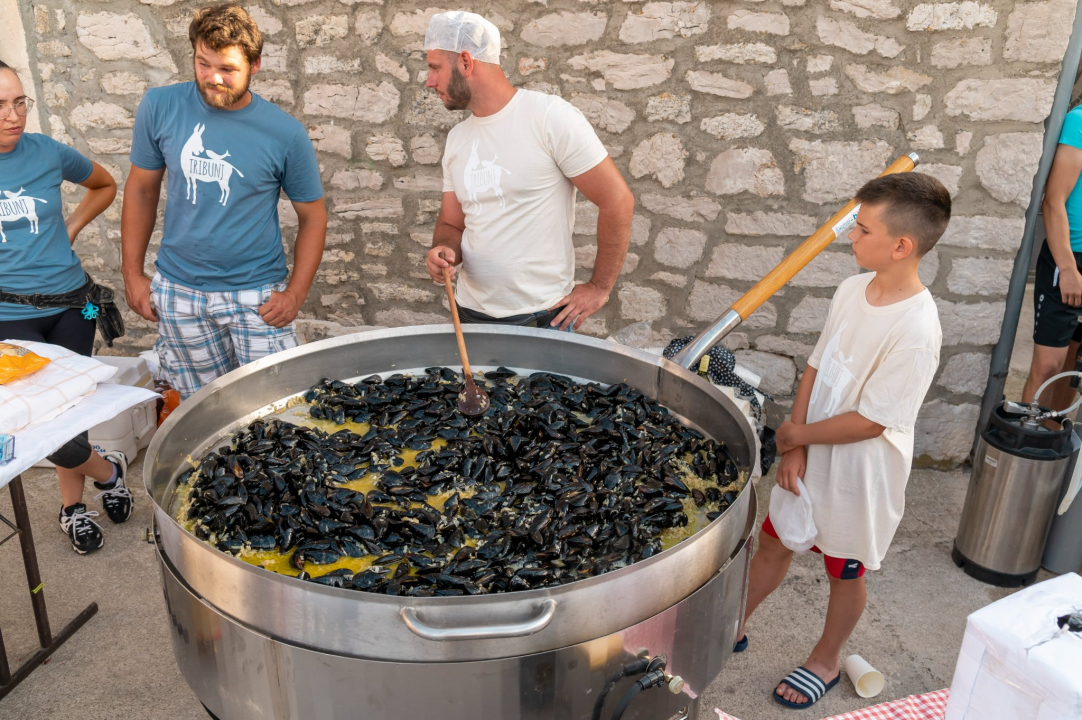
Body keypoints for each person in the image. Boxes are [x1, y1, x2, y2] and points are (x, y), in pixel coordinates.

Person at [738, 173, 949, 710]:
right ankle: (733, 620)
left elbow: (873, 422)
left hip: (862, 472)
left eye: (862, 229)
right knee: (774, 539)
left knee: (843, 567)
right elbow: (816, 365)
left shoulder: (917, 329)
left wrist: (797, 434)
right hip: (809, 452)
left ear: (901, 245)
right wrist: (797, 447)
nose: (851, 237)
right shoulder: (851, 289)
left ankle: (826, 659)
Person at [122, 3, 326, 399]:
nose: (212, 78)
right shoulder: (160, 106)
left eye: (227, 69)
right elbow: (141, 190)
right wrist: (133, 274)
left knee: (274, 410)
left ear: (256, 65)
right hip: (179, 293)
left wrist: (296, 293)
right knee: (200, 411)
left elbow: (313, 218)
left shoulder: (285, 133)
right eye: (203, 63)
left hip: (256, 296)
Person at [422, 11, 635, 332]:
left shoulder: (549, 117)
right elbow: (452, 223)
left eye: (435, 67)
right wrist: (444, 251)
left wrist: (599, 288)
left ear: (466, 62)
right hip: (469, 314)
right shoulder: (457, 139)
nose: (429, 81)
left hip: (543, 316)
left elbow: (617, 200)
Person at [0, 60, 133, 554]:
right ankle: (107, 472)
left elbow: (104, 184)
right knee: (38, 421)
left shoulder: (47, 152)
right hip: (9, 312)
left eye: (19, 102)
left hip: (76, 304)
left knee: (69, 413)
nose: (13, 115)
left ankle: (71, 509)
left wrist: (71, 229)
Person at [1023, 104, 1082, 410]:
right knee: (1048, 365)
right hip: (1071, 258)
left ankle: (1052, 435)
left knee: (1074, 365)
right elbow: (1054, 200)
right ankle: (1027, 442)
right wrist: (1068, 268)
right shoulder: (1079, 121)